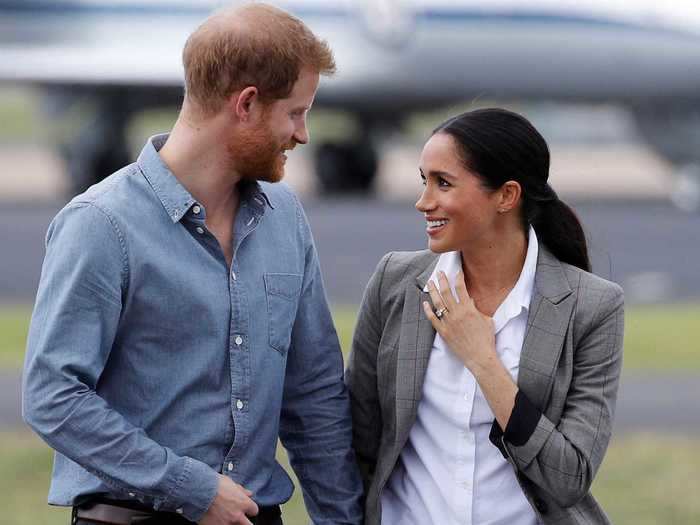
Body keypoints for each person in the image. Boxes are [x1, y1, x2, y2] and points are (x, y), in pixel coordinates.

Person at [22, 4, 363, 525]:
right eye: (295, 112)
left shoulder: (286, 218)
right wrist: (192, 488)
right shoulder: (101, 223)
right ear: (246, 104)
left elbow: (313, 395)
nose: (303, 134)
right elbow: (53, 396)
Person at [346, 108, 625, 525]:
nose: (423, 202)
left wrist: (483, 361)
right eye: (425, 181)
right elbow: (358, 440)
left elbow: (570, 477)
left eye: (443, 183)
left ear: (506, 196)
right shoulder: (394, 282)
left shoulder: (593, 307)